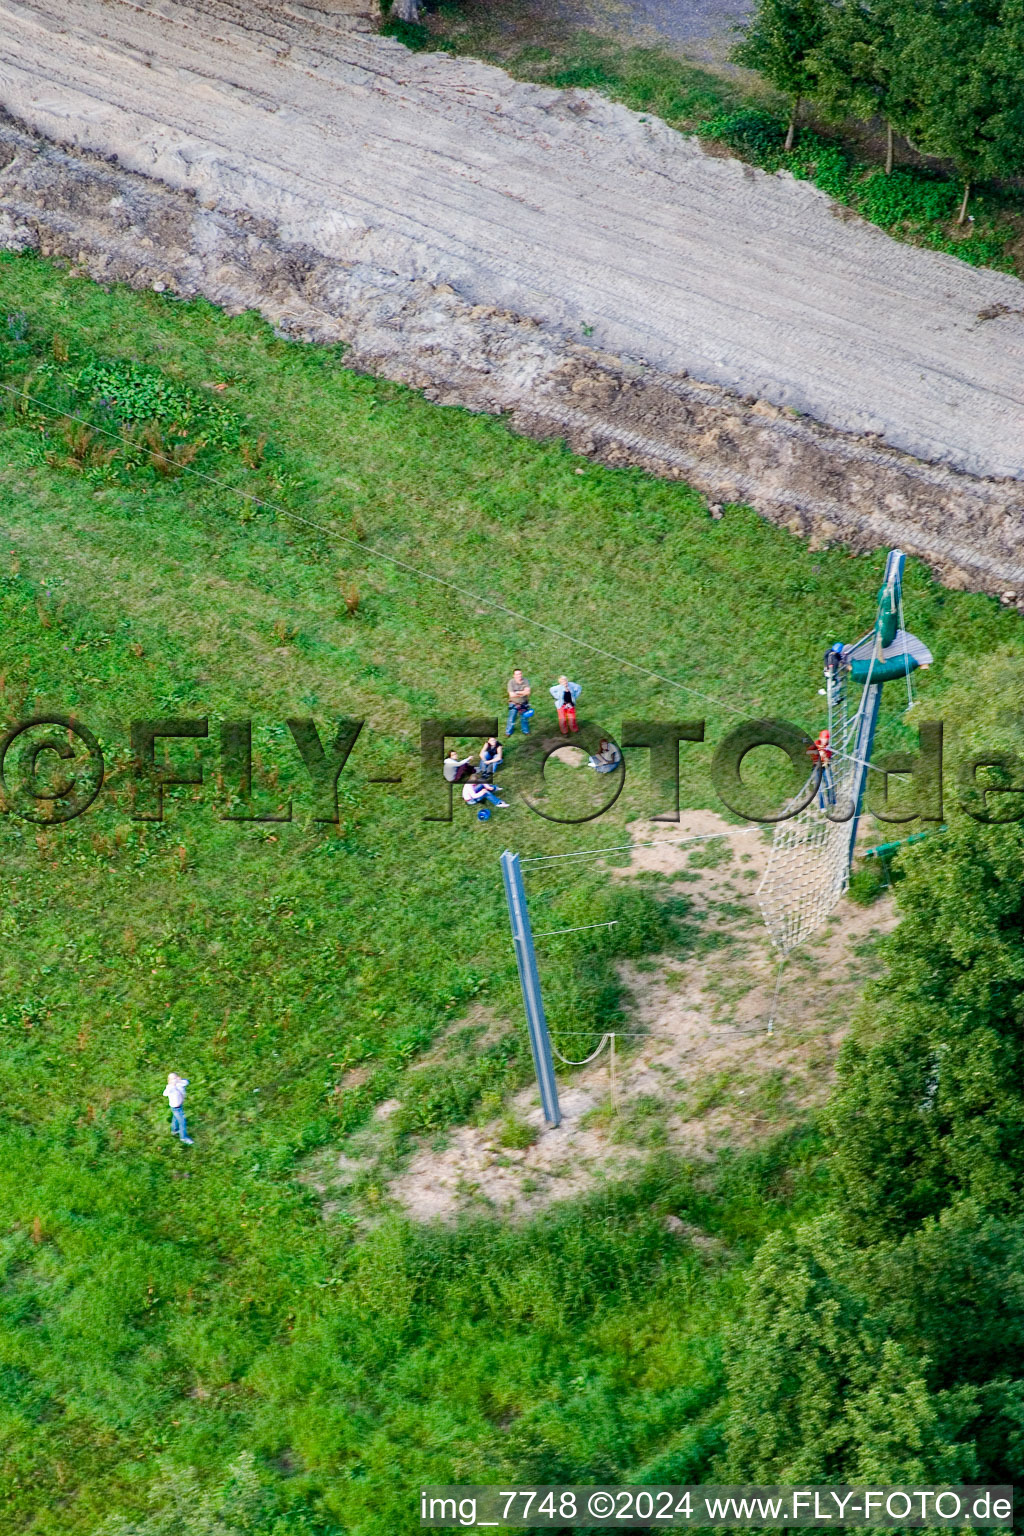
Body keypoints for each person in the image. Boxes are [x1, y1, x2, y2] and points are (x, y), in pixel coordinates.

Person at [163, 1072, 193, 1144]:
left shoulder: (180, 1083)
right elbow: (165, 1094)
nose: (174, 1080)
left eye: (175, 1078)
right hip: (175, 1107)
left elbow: (187, 1082)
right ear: (169, 1081)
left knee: (175, 1118)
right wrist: (171, 1086)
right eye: (172, 1079)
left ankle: (174, 1130)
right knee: (182, 1122)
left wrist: (180, 1080)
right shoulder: (170, 1087)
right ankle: (183, 1138)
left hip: (180, 1105)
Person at [506, 669, 534, 736]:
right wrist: (523, 693)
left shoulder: (525, 681)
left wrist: (517, 692)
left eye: (520, 674)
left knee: (524, 718)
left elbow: (528, 692)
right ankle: (508, 732)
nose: (519, 675)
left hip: (524, 703)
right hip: (514, 703)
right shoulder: (511, 682)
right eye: (517, 674)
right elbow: (512, 695)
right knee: (511, 719)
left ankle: (526, 731)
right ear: (514, 675)